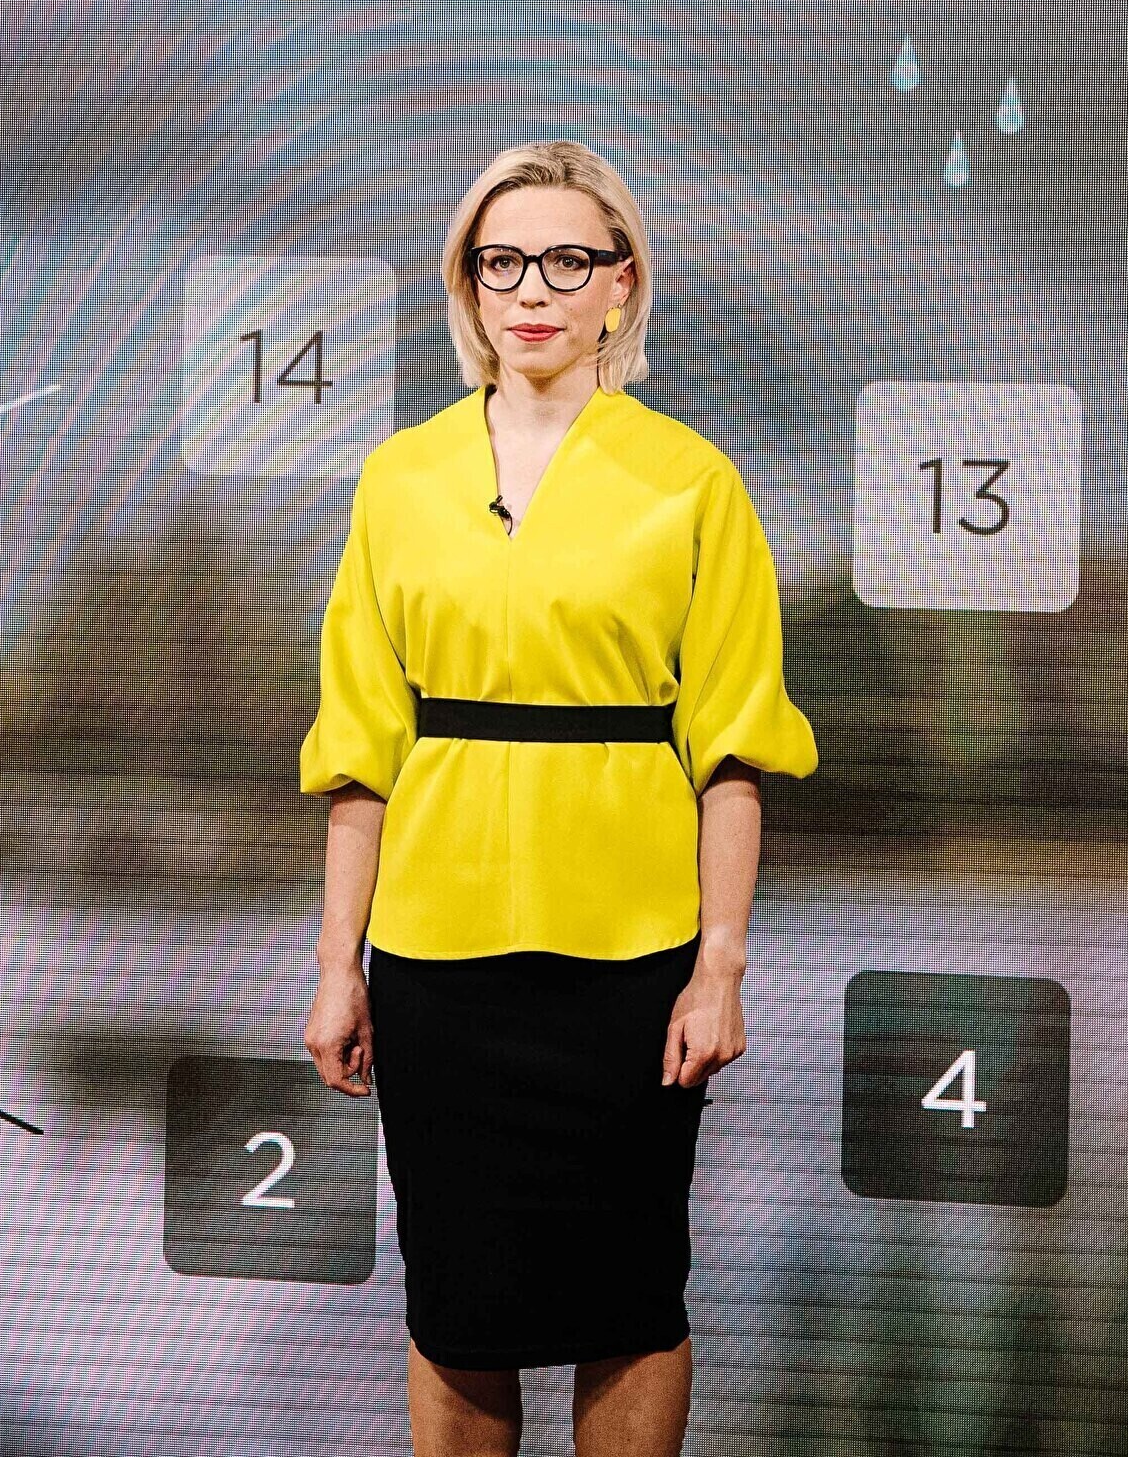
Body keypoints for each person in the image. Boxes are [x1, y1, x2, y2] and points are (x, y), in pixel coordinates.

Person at [299, 139, 818, 1457]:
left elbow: (735, 755)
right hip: (435, 963)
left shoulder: (693, 482)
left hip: (632, 967)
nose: (533, 289)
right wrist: (337, 966)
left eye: (567, 260)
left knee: (630, 1302)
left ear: (620, 282)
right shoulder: (397, 478)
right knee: (456, 1311)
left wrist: (721, 967)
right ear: (468, 285)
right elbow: (360, 751)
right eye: (503, 262)